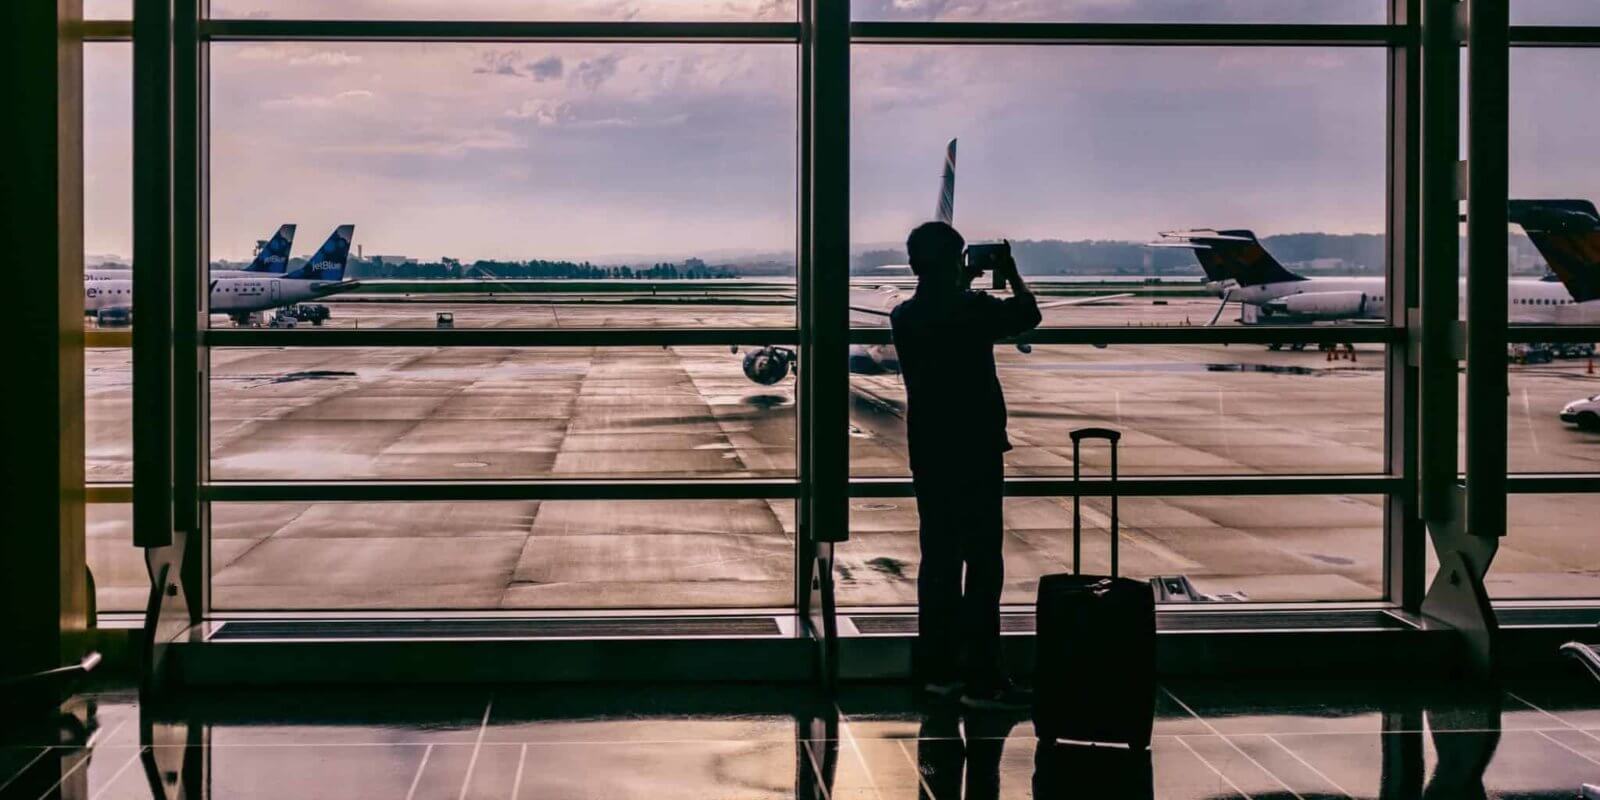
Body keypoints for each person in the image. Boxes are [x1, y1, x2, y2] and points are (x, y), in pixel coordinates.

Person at [890, 221, 1041, 709]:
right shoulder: (975, 309)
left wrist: (960, 276)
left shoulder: (904, 316)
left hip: (930, 451)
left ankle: (938, 674)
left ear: (914, 264)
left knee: (938, 561)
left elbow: (941, 304)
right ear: (957, 262)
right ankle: (984, 679)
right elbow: (1027, 315)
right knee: (982, 564)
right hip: (975, 448)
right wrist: (1010, 272)